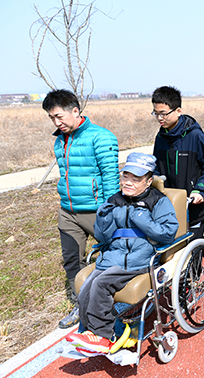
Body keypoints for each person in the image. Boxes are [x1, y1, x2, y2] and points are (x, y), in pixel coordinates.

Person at [65, 152, 179, 354]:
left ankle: (103, 336)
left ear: (148, 181)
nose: (128, 182)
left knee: (100, 284)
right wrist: (103, 217)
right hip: (112, 256)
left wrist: (141, 218)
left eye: (136, 179)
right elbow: (102, 237)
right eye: (125, 176)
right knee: (86, 288)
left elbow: (168, 234)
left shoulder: (158, 202)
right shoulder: (115, 200)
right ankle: (90, 332)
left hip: (140, 259)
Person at [43, 89, 119, 329]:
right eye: (51, 118)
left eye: (59, 116)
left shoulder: (101, 137)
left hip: (96, 211)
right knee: (72, 261)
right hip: (68, 211)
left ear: (75, 111)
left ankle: (111, 302)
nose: (57, 123)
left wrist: (110, 211)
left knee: (114, 257)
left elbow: (110, 177)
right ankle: (80, 305)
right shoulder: (60, 140)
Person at [151, 86, 204, 240]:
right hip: (171, 203)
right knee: (177, 246)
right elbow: (156, 167)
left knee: (192, 245)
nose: (159, 118)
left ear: (178, 111)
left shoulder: (195, 135)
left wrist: (200, 190)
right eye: (156, 113)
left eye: (163, 114)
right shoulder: (161, 137)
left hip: (194, 204)